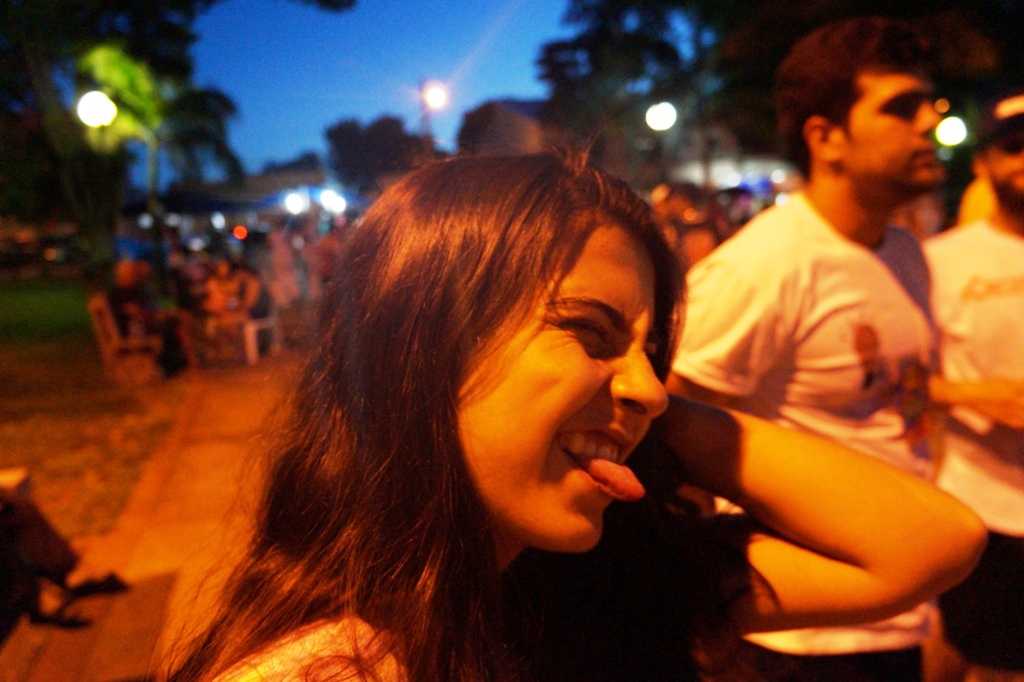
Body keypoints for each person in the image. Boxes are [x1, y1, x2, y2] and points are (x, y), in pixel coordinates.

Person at [166, 152, 984, 681]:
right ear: (421, 348)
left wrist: (662, 415)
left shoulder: (609, 584)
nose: (650, 388)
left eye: (651, 351)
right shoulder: (334, 665)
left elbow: (931, 542)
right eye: (590, 332)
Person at [667, 17, 950, 681]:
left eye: (929, 103)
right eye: (901, 107)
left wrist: (928, 601)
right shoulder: (762, 268)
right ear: (826, 138)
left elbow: (904, 419)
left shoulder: (904, 252)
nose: (930, 123)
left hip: (898, 607)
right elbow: (674, 437)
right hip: (796, 643)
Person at [923, 91, 1024, 681]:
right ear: (984, 162)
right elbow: (896, 382)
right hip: (983, 508)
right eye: (1013, 147)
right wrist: (976, 395)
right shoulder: (938, 261)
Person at [107, 258, 192, 377]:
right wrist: (154, 316)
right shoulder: (117, 294)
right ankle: (169, 365)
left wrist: (160, 314)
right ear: (121, 275)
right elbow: (133, 313)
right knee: (167, 327)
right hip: (133, 330)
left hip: (145, 322)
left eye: (132, 272)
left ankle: (180, 360)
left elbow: (145, 309)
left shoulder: (136, 289)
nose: (133, 275)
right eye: (130, 273)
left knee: (176, 321)